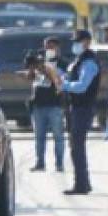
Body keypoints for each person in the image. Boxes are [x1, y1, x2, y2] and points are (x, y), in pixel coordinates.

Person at [45, 29, 100, 195]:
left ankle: (81, 185)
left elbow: (82, 86)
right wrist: (52, 72)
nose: (75, 44)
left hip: (83, 108)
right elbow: (69, 78)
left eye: (79, 41)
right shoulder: (79, 60)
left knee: (77, 146)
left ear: (87, 42)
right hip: (75, 107)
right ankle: (84, 183)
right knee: (75, 146)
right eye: (75, 41)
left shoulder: (89, 62)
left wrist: (64, 85)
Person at [25, 36, 67, 173]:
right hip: (38, 104)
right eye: (46, 46)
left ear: (57, 48)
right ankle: (40, 163)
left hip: (55, 104)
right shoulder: (39, 61)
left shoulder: (62, 63)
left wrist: (46, 69)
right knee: (39, 136)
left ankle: (59, 163)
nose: (48, 49)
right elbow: (31, 79)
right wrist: (32, 68)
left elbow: (59, 81)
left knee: (58, 136)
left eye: (51, 47)